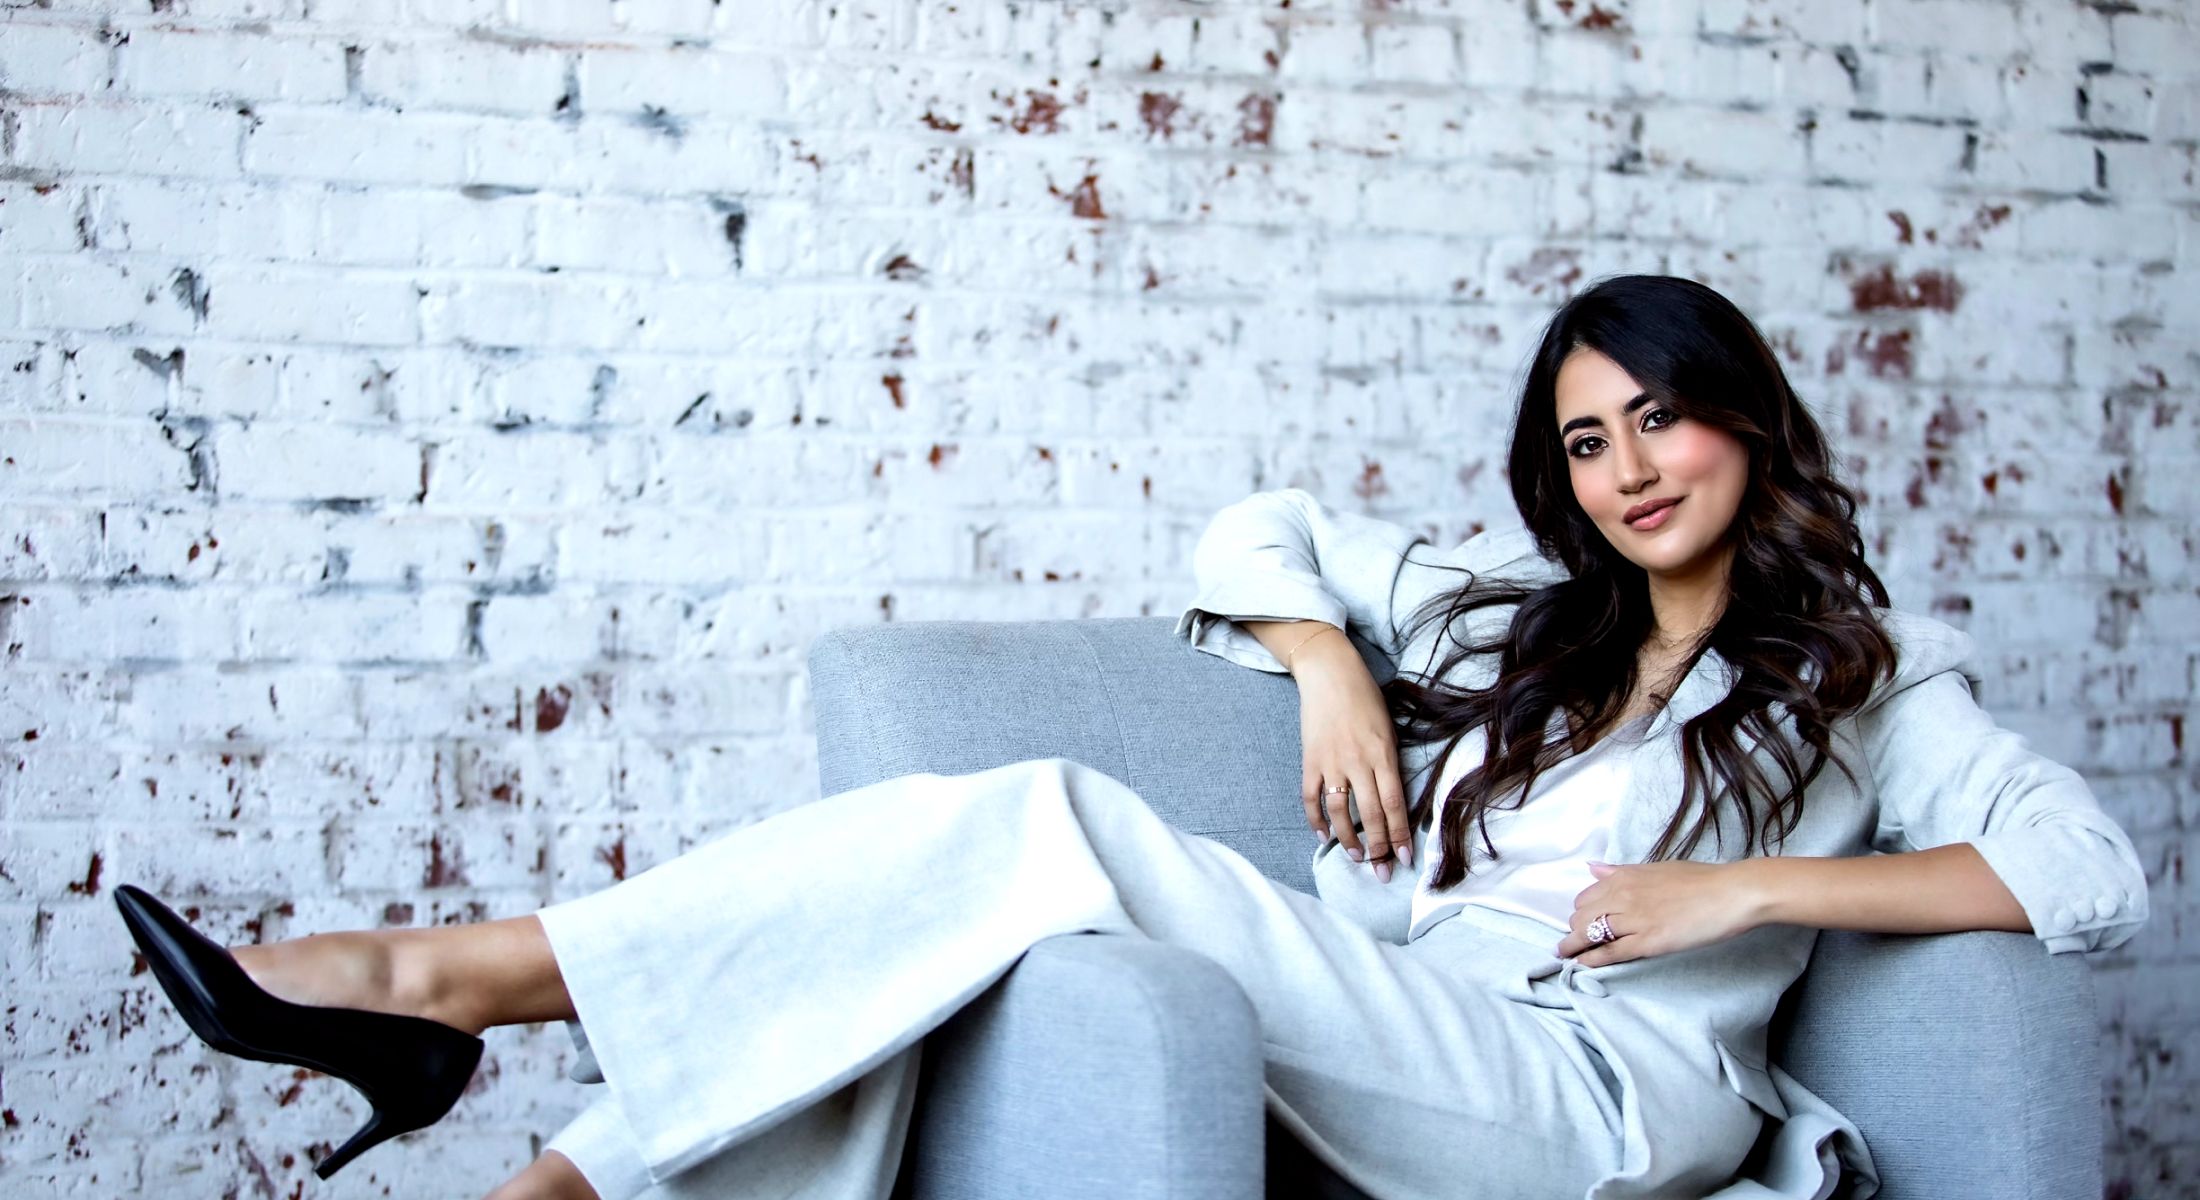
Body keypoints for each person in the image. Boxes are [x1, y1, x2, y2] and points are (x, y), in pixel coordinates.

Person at [115, 274, 2149, 1200]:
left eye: (1660, 416)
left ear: (1745, 417)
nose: (1626, 466)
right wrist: (1334, 663)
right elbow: (1256, 530)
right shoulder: (1513, 621)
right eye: (1582, 437)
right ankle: (551, 1190)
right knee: (943, 952)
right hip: (1407, 1011)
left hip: (1596, 1102)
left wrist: (1745, 887)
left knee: (1043, 820)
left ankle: (442, 985)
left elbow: (2086, 874)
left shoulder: (1864, 675)